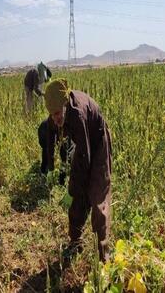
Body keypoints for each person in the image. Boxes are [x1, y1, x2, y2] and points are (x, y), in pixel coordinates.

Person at [44, 78, 112, 262]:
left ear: (65, 105)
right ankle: (75, 242)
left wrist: (71, 190)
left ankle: (104, 256)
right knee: (78, 198)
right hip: (84, 146)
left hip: (98, 142)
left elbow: (85, 159)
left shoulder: (78, 114)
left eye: (58, 113)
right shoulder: (55, 112)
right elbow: (49, 138)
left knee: (97, 197)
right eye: (52, 115)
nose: (56, 117)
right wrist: (50, 168)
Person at [38, 116, 73, 185]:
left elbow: (67, 153)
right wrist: (51, 169)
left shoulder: (69, 125)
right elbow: (49, 148)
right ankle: (44, 173)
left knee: (64, 154)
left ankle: (62, 181)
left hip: (63, 133)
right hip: (44, 130)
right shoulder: (48, 125)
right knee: (46, 152)